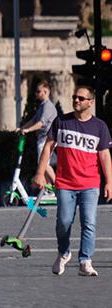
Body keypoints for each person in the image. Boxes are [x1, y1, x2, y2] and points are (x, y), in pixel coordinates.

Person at [33, 85, 112, 277]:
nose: (76, 100)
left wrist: (109, 182)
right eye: (74, 97)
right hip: (66, 183)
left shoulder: (99, 127)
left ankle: (85, 260)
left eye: (81, 98)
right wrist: (40, 173)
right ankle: (64, 252)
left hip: (90, 183)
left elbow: (104, 156)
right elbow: (47, 148)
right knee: (64, 222)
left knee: (89, 222)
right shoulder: (62, 121)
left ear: (90, 102)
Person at [17, 80, 57, 185]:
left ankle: (58, 186)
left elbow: (41, 123)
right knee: (43, 164)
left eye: (39, 91)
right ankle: (49, 188)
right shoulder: (42, 106)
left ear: (46, 91)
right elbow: (33, 120)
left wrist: (27, 130)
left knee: (43, 164)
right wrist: (22, 128)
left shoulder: (48, 106)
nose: (36, 94)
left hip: (46, 138)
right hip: (42, 138)